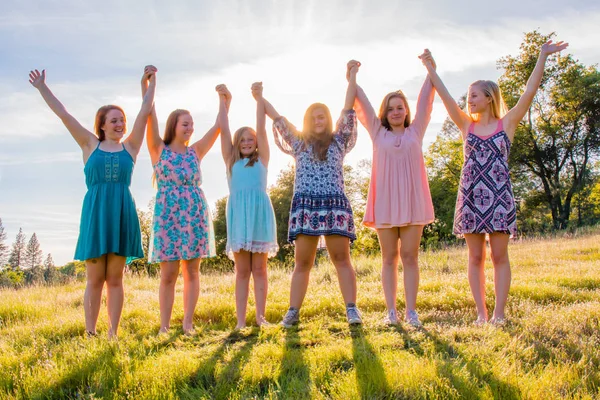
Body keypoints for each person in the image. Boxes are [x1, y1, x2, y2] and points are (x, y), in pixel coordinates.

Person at [419, 40, 568, 324]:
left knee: (499, 257)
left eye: (474, 95)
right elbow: (447, 97)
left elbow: (529, 91)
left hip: (500, 198)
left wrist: (542, 56)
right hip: (472, 198)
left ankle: (499, 314)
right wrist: (429, 68)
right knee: (475, 258)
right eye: (469, 97)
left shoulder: (507, 124)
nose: (469, 100)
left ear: (489, 97)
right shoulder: (466, 125)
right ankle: (481, 314)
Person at [28, 66, 157, 338]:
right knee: (95, 279)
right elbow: (64, 115)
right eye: (114, 120)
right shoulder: (89, 144)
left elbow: (145, 112)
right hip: (96, 215)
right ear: (102, 124)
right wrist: (42, 88)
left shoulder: (131, 147)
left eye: (122, 120)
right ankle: (90, 332)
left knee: (115, 279)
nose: (120, 124)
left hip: (122, 213)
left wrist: (147, 84)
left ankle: (112, 332)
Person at [262, 63, 362, 327]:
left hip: (333, 204)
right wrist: (259, 97)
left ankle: (352, 309)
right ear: (307, 121)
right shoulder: (298, 142)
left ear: (328, 120)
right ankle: (293, 312)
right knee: (302, 262)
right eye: (314, 117)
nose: (319, 121)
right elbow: (278, 119)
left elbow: (348, 109)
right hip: (306, 206)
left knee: (342, 258)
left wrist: (351, 77)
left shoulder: (339, 139)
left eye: (323, 117)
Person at [351, 55, 435, 327]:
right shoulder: (377, 133)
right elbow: (359, 102)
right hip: (386, 202)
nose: (396, 112)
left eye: (400, 107)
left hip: (412, 202)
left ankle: (411, 311)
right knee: (389, 258)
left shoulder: (416, 131)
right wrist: (352, 76)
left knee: (410, 257)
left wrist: (429, 69)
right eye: (391, 109)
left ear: (406, 111)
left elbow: (426, 100)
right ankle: (391, 312)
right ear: (384, 114)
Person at [143, 68, 229, 334]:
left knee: (192, 272)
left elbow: (217, 128)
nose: (190, 128)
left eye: (192, 124)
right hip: (168, 215)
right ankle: (165, 326)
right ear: (174, 126)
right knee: (169, 274)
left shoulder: (195, 152)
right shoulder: (158, 148)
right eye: (185, 124)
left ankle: (188, 323)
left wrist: (225, 102)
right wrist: (149, 85)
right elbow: (149, 115)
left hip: (193, 214)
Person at [220, 82, 278, 329]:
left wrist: (259, 98)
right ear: (237, 143)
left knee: (260, 270)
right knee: (242, 272)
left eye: (250, 139)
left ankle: (260, 318)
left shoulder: (262, 159)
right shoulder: (230, 161)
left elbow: (263, 130)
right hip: (239, 219)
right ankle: (241, 322)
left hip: (260, 217)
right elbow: (224, 130)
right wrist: (224, 102)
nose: (247, 142)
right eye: (242, 139)